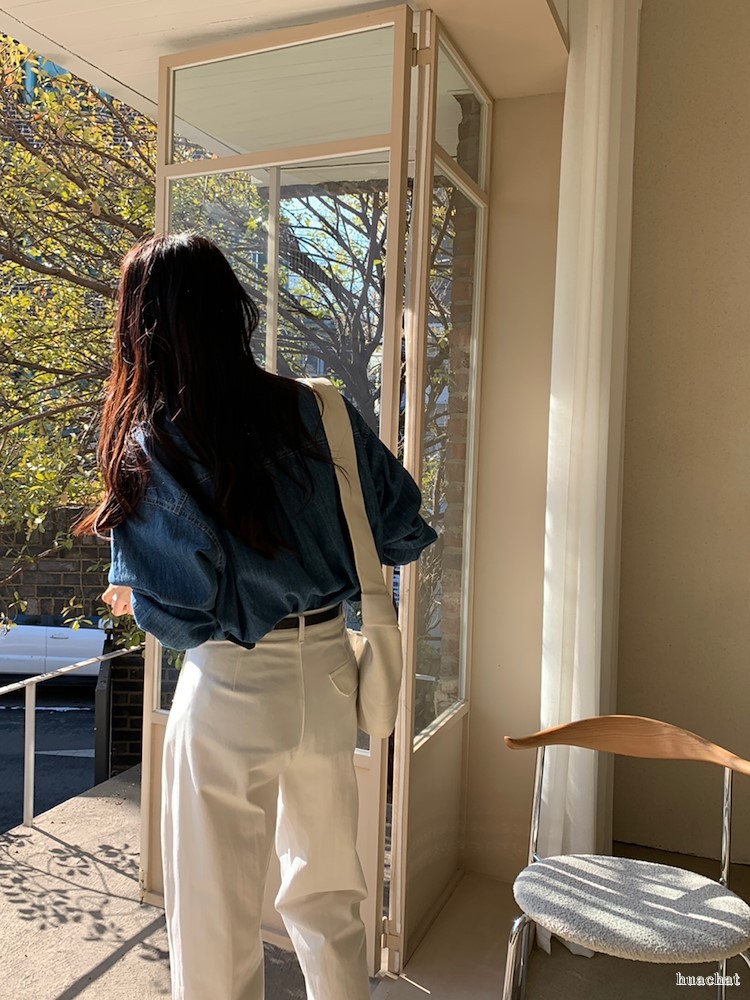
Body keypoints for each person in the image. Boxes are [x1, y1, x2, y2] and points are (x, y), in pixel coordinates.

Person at [76, 232, 437, 1000]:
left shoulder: (160, 441)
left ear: (141, 323)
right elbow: (401, 526)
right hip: (330, 673)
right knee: (329, 893)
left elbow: (183, 618)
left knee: (215, 911)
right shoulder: (320, 410)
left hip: (231, 687)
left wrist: (139, 595)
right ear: (228, 309)